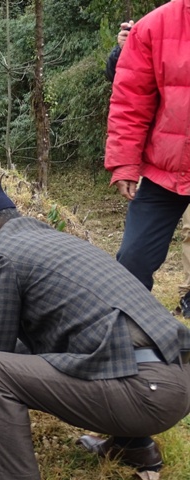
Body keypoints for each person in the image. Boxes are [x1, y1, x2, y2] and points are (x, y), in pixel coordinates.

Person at [0, 181, 190, 479]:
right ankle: (132, 446)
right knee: (80, 341)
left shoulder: (1, 255)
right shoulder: (57, 243)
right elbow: (23, 348)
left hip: (146, 395)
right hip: (179, 374)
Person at [105, 18, 190, 317]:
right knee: (133, 258)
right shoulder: (155, 27)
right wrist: (125, 163)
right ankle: (126, 328)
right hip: (164, 170)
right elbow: (131, 101)